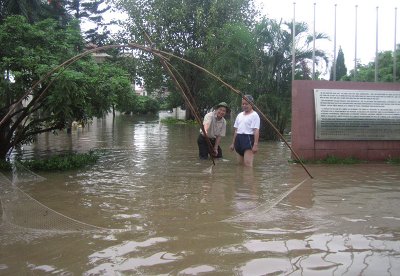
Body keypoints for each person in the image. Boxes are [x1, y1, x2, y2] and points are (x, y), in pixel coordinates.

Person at [230, 95, 260, 167]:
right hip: (238, 139)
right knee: (240, 164)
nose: (244, 105)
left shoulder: (254, 115)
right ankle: (240, 178)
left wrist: (255, 145)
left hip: (248, 139)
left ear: (251, 104)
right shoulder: (239, 115)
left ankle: (249, 178)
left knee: (248, 164)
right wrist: (233, 143)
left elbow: (256, 130)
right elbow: (236, 130)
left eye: (246, 104)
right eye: (243, 104)